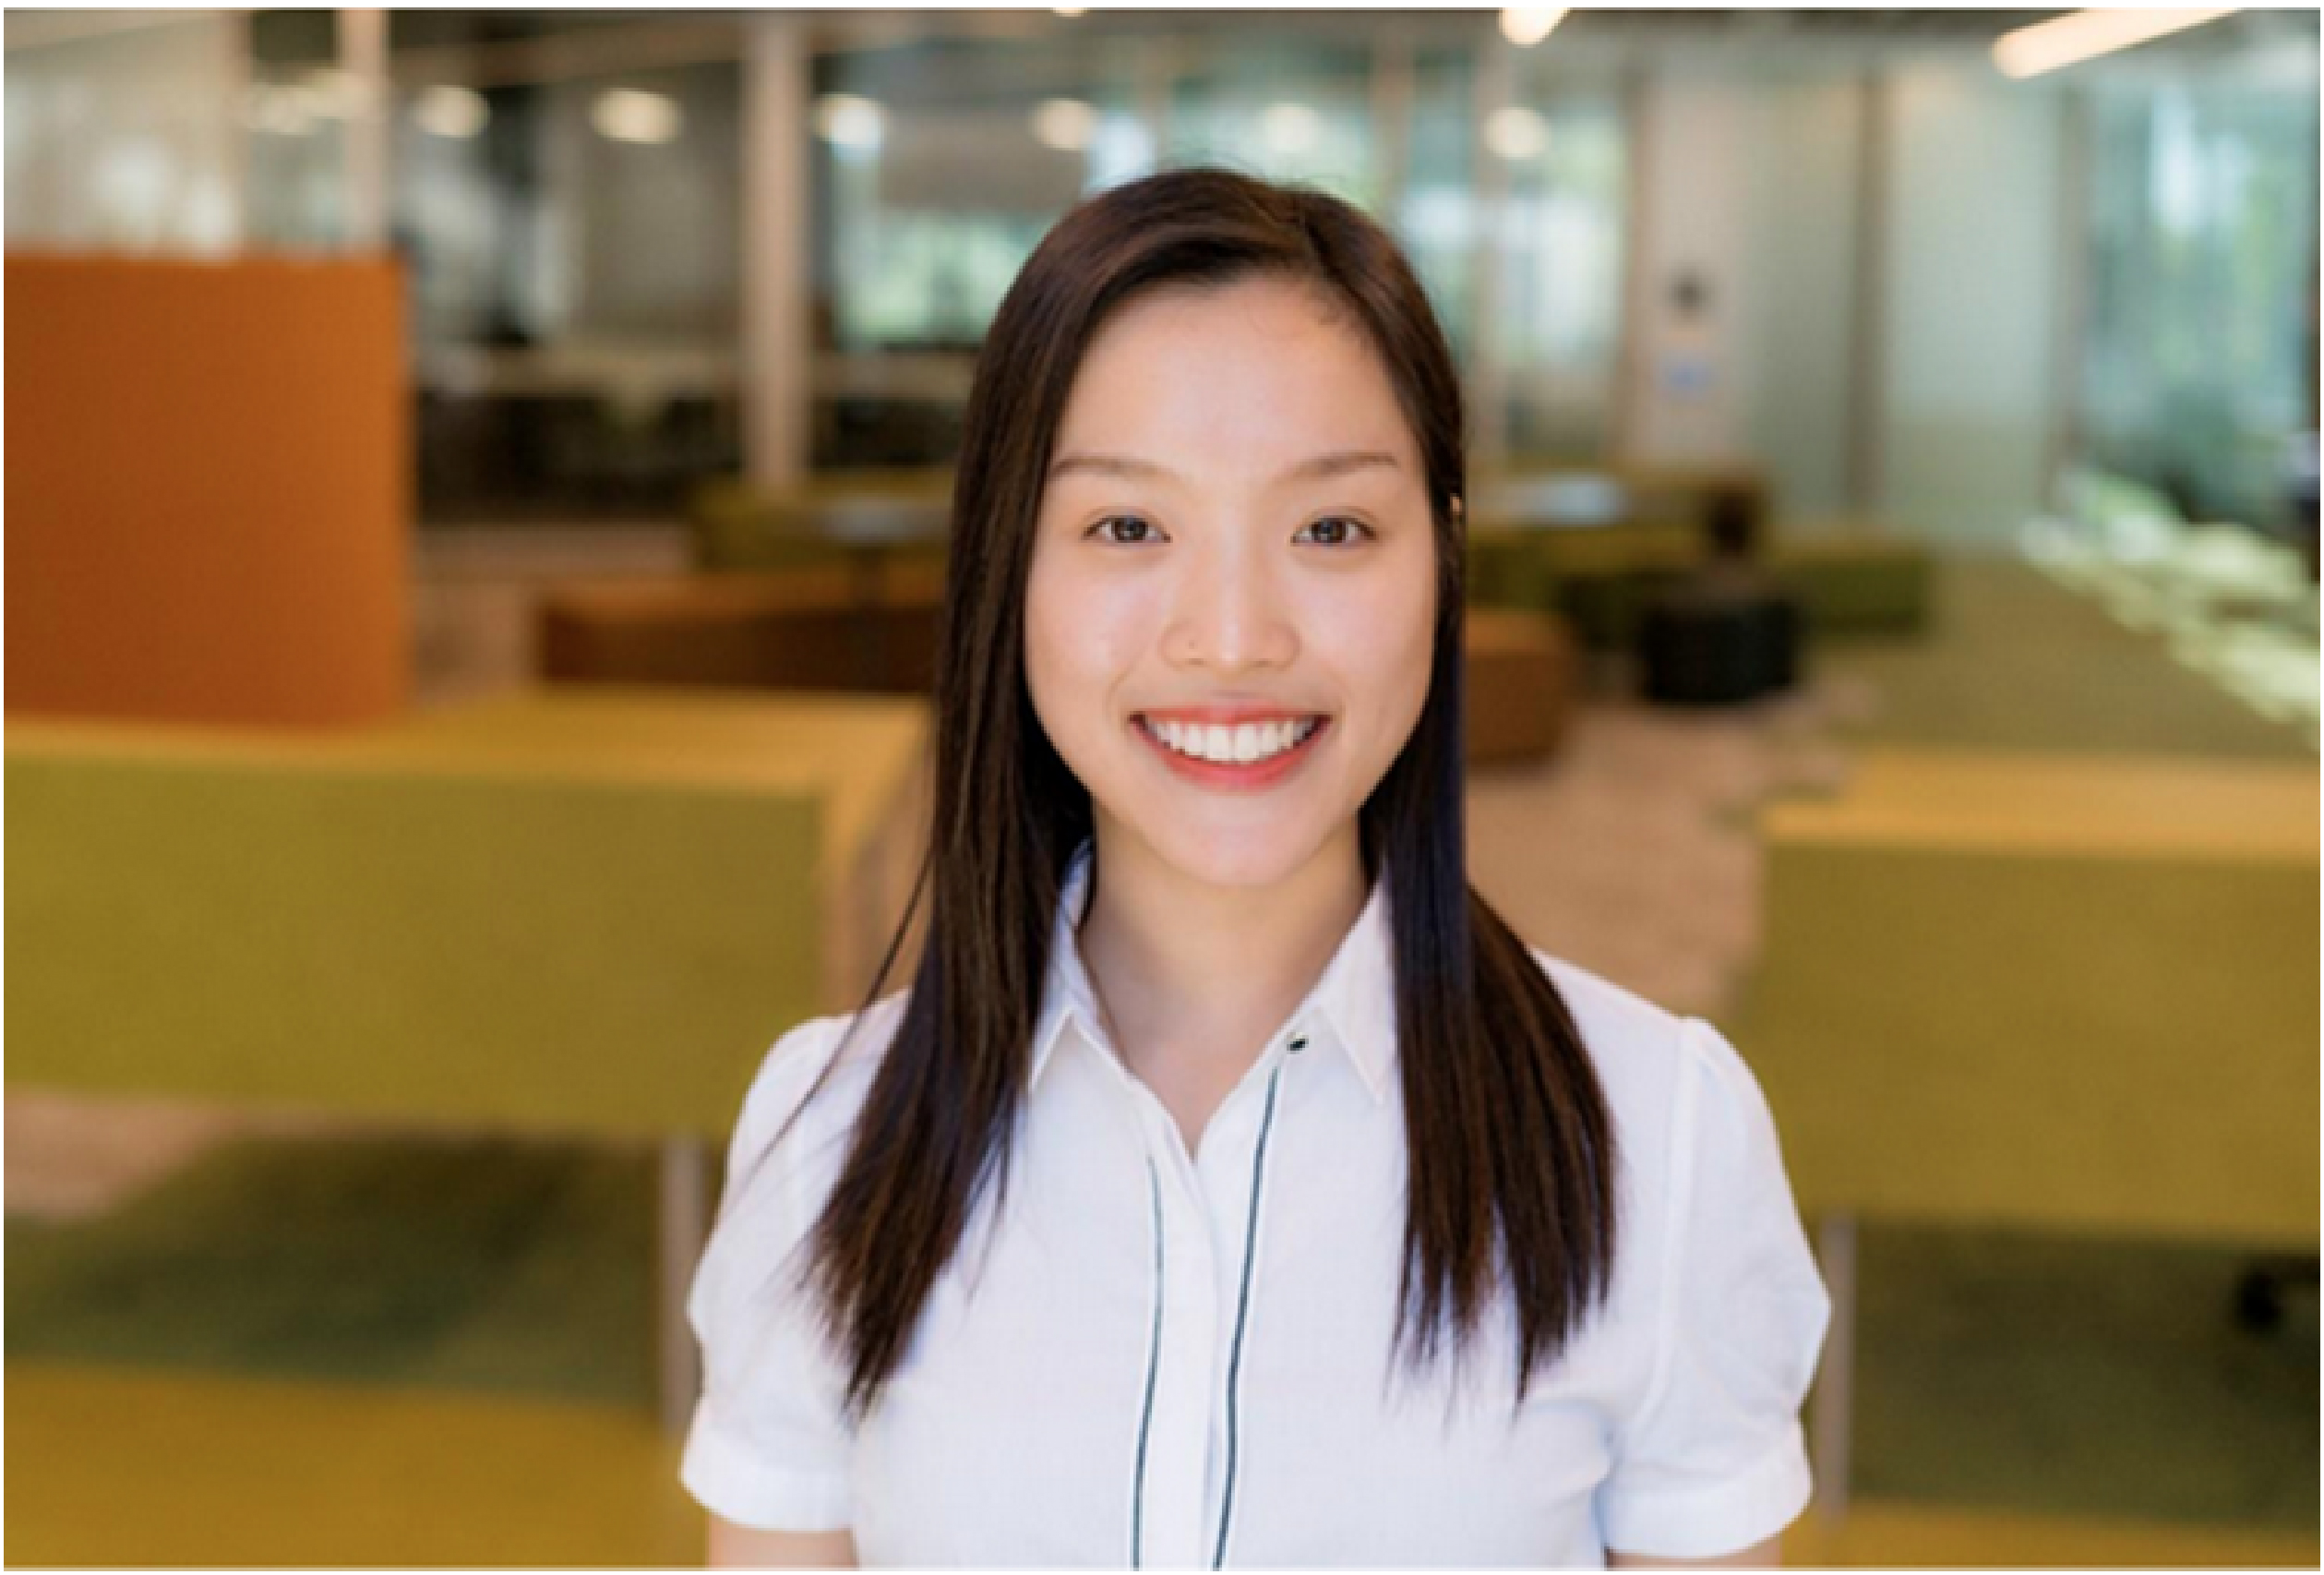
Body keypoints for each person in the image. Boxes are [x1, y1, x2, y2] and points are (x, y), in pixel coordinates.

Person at [681, 167, 1829, 1569]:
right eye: (1127, 527)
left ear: (1442, 563)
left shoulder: (1655, 1133)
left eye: (1330, 528)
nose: (1231, 636)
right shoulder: (829, 1137)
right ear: (1005, 570)